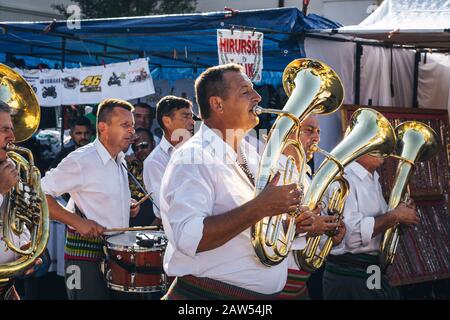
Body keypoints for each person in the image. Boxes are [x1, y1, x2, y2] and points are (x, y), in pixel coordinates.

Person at [160, 64, 311, 299]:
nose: (258, 96)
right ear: (217, 104)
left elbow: (248, 234)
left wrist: (291, 227)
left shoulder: (250, 153)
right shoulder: (193, 157)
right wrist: (260, 207)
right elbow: (190, 238)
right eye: (245, 91)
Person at [41, 98, 141, 300]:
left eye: (132, 126)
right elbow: (38, 195)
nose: (132, 131)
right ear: (103, 127)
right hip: (83, 257)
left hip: (116, 257)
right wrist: (76, 221)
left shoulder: (120, 160)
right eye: (125, 125)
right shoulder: (81, 160)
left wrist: (124, 206)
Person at [322, 154, 419, 300]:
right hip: (349, 274)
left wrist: (401, 219)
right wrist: (395, 216)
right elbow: (351, 236)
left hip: (370, 270)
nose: (384, 151)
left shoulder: (373, 178)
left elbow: (380, 229)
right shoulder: (345, 177)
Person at [276, 114, 345, 300]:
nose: (316, 137)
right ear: (288, 132)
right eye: (309, 130)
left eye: (318, 132)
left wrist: (329, 236)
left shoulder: (306, 176)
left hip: (299, 283)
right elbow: (263, 229)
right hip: (276, 282)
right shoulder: (273, 172)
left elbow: (309, 239)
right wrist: (306, 228)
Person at [0, 101, 46, 300]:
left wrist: (26, 250)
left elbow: (18, 217)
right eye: (4, 129)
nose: (13, 137)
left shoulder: (11, 166)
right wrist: (1, 191)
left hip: (7, 287)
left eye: (11, 129)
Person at [143, 95, 194, 226]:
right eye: (185, 116)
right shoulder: (155, 161)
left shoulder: (199, 152)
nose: (192, 122)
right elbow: (165, 207)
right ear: (167, 121)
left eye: (191, 116)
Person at [127, 127, 156, 227]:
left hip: (154, 229)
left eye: (144, 145)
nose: (139, 150)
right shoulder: (127, 167)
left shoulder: (163, 167)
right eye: (135, 148)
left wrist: (153, 227)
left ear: (153, 144)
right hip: (130, 231)